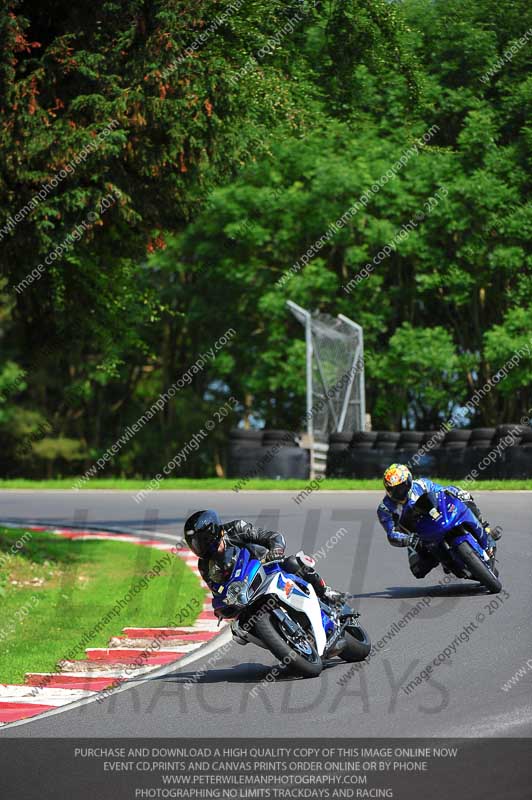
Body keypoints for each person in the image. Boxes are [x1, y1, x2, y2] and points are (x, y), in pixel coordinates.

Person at [183, 509, 345, 609]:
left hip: (268, 567)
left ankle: (325, 592)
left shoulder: (236, 529)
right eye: (195, 544)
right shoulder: (204, 565)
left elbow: (272, 537)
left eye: (202, 541)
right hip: (246, 590)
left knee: (294, 563)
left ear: (214, 532)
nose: (200, 547)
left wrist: (276, 550)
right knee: (239, 629)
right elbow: (216, 590)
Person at [377, 463, 502, 578]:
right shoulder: (385, 509)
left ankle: (484, 528)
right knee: (418, 570)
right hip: (417, 536)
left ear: (409, 480)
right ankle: (445, 561)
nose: (400, 491)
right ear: (388, 489)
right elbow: (392, 533)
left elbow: (442, 492)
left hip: (437, 517)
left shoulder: (421, 485)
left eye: (403, 486)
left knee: (461, 495)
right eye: (395, 489)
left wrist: (456, 493)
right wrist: (410, 540)